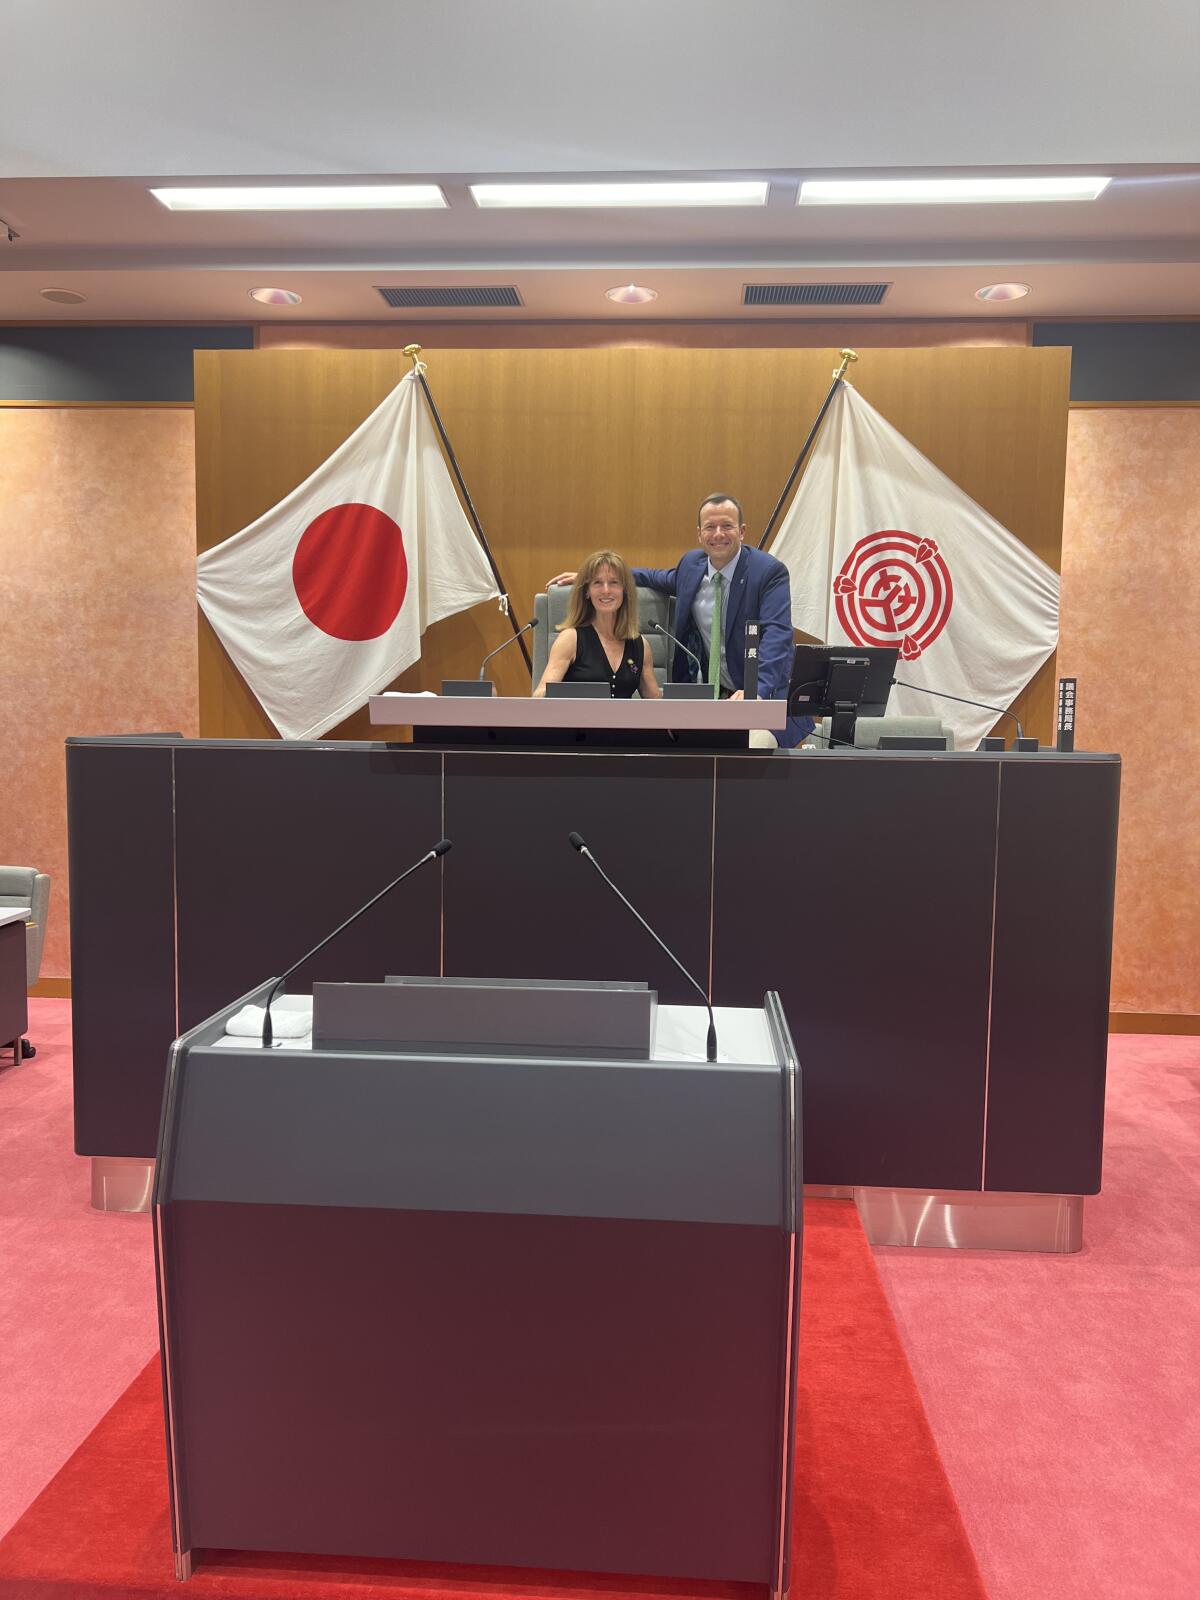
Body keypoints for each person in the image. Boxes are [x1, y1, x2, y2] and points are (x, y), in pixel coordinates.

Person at [550, 495, 811, 744]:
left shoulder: (768, 572)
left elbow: (777, 637)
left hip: (761, 703)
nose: (718, 534)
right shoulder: (691, 566)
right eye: (710, 527)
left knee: (753, 746)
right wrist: (602, 577)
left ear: (742, 531)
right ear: (699, 534)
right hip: (708, 705)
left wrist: (758, 692)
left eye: (726, 526)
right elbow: (657, 577)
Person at [534, 550, 662, 699]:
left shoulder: (640, 645)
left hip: (624, 722)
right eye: (597, 583)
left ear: (624, 590)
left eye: (614, 583)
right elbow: (540, 695)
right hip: (578, 721)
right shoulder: (570, 639)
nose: (606, 590)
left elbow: (656, 704)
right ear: (587, 592)